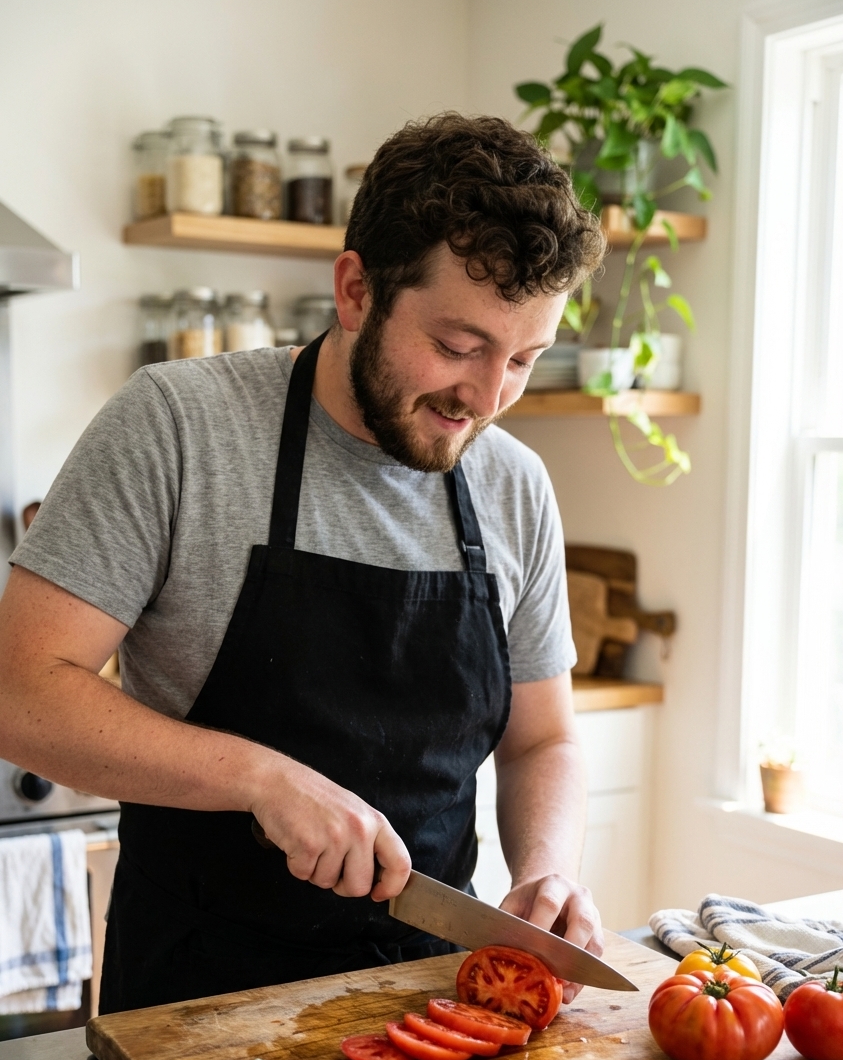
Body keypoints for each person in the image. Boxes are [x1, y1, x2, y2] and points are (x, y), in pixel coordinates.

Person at [0, 114, 606, 1014]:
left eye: (521, 358)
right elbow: (20, 694)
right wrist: (261, 778)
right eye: (456, 346)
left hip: (432, 995)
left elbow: (542, 739)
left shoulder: (513, 484)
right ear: (356, 290)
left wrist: (546, 873)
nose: (484, 399)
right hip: (195, 1000)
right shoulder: (177, 425)